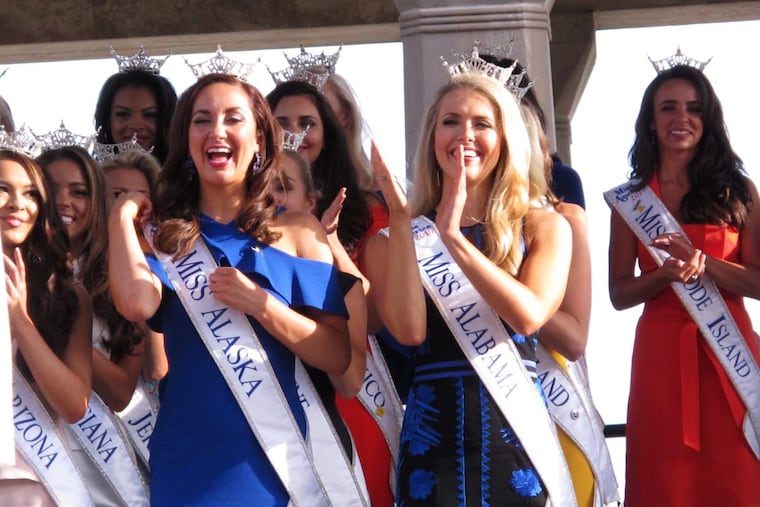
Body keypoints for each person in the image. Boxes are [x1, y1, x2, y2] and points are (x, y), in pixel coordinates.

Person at [108, 73, 352, 505]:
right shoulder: (163, 238)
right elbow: (135, 303)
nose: (216, 131)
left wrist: (262, 306)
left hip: (273, 459)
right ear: (186, 138)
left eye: (233, 119)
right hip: (186, 459)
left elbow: (337, 355)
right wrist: (122, 218)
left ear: (259, 139)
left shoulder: (298, 232)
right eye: (202, 120)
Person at [364, 69, 574, 505]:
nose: (465, 135)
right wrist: (404, 224)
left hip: (515, 439)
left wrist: (455, 240)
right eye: (451, 121)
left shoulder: (543, 226)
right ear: (431, 137)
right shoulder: (395, 239)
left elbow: (530, 314)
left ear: (505, 137)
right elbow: (408, 332)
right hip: (432, 441)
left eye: (482, 123)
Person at [607, 63, 760, 505]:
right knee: (666, 479)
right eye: (668, 107)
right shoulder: (630, 200)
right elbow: (619, 294)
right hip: (661, 358)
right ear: (651, 121)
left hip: (730, 355)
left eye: (694, 108)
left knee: (738, 476)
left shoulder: (740, 192)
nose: (682, 118)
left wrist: (705, 264)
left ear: (707, 119)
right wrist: (665, 276)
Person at [37, 146, 149, 505]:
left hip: (101, 461)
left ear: (96, 202)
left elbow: (121, 393)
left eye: (79, 191)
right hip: (29, 447)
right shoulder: (10, 273)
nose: (63, 201)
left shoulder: (118, 279)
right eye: (50, 189)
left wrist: (59, 328)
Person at [522, 101, 619, 507]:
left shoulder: (563, 218)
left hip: (553, 400)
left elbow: (574, 338)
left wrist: (491, 278)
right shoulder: (438, 224)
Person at [0, 147, 93, 505]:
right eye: (2, 188)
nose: (16, 203)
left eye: (30, 193)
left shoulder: (68, 297)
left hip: (37, 484)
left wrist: (22, 324)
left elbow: (74, 405)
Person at [94, 50, 177, 163]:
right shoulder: (90, 178)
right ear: (107, 120)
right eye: (123, 114)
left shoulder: (194, 176)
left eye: (150, 115)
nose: (136, 126)